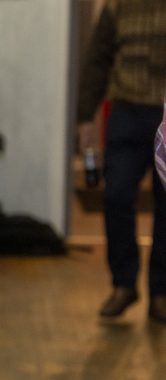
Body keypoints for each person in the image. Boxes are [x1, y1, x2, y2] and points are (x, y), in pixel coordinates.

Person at [77, 0, 166, 323]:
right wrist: (85, 116)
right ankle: (124, 283)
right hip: (126, 111)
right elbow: (97, 60)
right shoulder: (117, 5)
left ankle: (161, 293)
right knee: (116, 196)